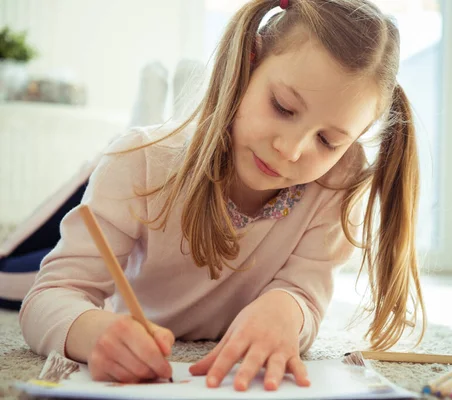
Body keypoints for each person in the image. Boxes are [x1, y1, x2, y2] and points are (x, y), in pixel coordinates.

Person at [17, 0, 426, 392]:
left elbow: (306, 292)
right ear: (247, 62)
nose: (292, 149)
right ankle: (157, 102)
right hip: (156, 167)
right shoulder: (137, 161)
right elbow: (48, 297)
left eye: (328, 140)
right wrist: (93, 333)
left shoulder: (335, 181)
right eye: (283, 107)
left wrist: (286, 309)